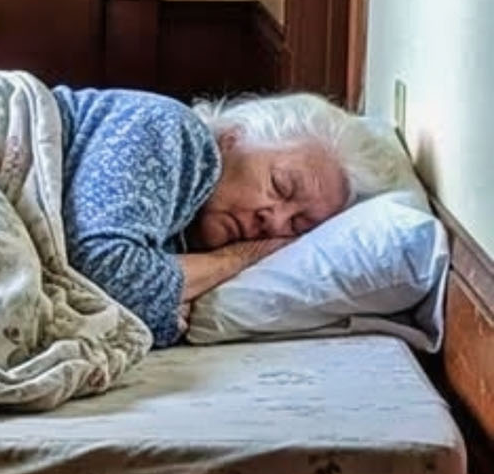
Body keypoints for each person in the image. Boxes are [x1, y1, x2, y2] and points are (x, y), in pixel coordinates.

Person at [54, 86, 405, 348]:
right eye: (280, 186)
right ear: (232, 139)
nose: (275, 222)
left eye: (298, 226)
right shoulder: (172, 131)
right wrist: (236, 258)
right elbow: (106, 273)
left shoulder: (182, 229)